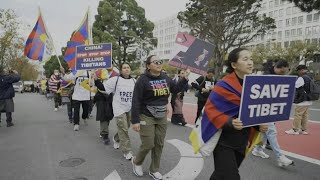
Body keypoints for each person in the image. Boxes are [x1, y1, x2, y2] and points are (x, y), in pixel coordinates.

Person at [207, 48, 268, 180]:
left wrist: (258, 127)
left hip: (243, 141)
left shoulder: (256, 86)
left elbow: (253, 111)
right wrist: (229, 122)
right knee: (231, 176)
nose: (250, 62)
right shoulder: (223, 85)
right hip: (223, 141)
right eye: (245, 59)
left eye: (251, 59)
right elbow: (210, 110)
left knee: (221, 174)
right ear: (234, 65)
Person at [131, 55, 190, 180]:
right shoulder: (142, 80)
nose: (159, 63)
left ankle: (154, 169)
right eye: (156, 62)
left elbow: (175, 89)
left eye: (160, 61)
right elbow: (136, 100)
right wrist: (135, 120)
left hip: (162, 115)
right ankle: (137, 162)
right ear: (148, 66)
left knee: (159, 143)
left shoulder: (165, 77)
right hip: (146, 115)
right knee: (148, 144)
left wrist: (185, 78)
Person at [251, 60, 293, 167]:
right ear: (277, 68)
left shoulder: (277, 76)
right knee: (271, 131)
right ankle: (280, 157)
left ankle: (258, 149)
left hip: (272, 108)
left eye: (284, 72)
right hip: (264, 109)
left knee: (264, 131)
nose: (283, 74)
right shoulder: (266, 76)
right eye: (281, 72)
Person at [102, 63, 136, 160]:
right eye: (124, 68)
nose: (126, 69)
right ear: (121, 70)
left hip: (129, 108)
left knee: (126, 126)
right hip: (118, 108)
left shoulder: (134, 81)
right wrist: (95, 80)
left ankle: (116, 138)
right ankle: (127, 151)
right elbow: (103, 89)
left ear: (130, 69)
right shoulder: (115, 80)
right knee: (124, 128)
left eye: (128, 67)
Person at [285, 65, 312, 135]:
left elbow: (296, 86)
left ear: (302, 70)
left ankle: (295, 129)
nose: (298, 72)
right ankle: (303, 130)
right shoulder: (310, 77)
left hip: (302, 99)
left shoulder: (302, 78)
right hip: (309, 99)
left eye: (299, 71)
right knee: (305, 115)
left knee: (298, 114)